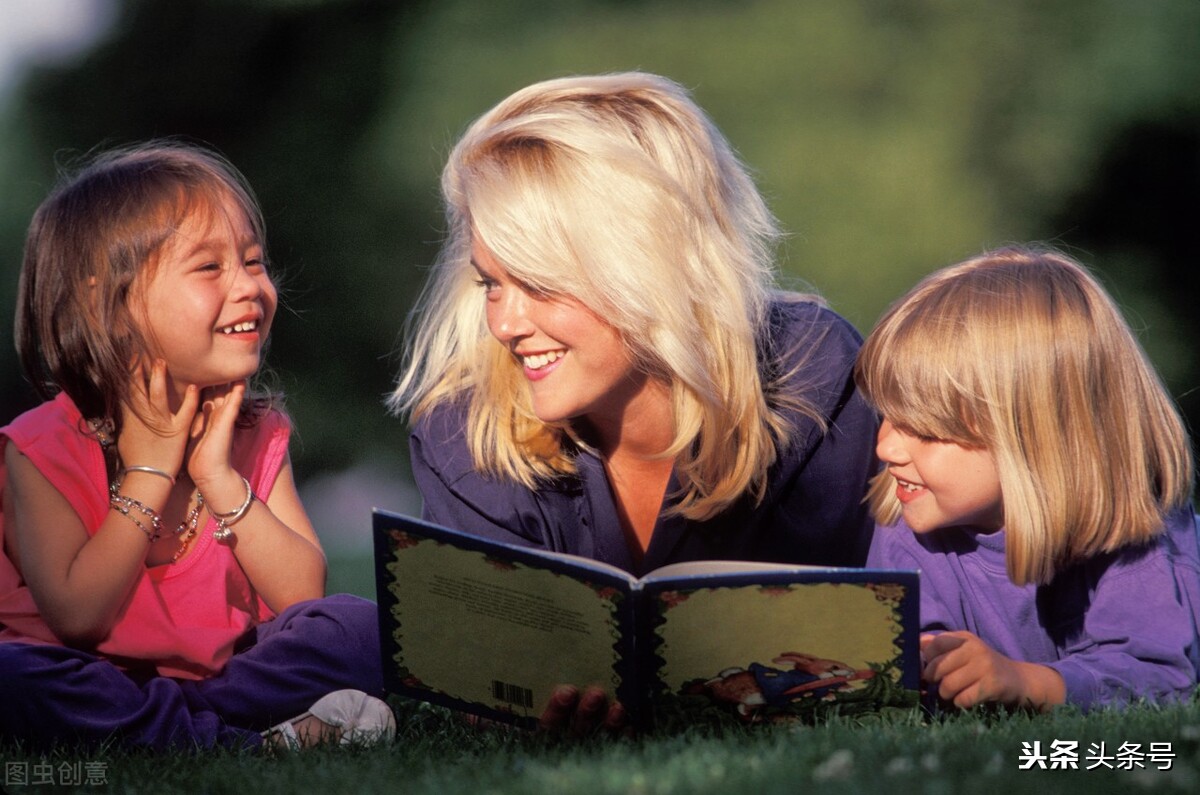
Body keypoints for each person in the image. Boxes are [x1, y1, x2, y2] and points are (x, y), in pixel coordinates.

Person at [389, 72, 879, 730]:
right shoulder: (464, 433)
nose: (504, 324)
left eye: (538, 283)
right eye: (491, 283)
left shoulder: (812, 374)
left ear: (644, 263)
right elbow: (479, 681)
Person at [0, 142, 391, 751]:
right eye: (210, 268)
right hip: (83, 673)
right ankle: (246, 743)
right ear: (110, 306)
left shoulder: (254, 433)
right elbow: (78, 618)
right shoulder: (41, 447)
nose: (249, 287)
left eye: (254, 261)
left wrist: (219, 478)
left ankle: (184, 724)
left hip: (226, 675)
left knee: (357, 629)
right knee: (15, 678)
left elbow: (300, 595)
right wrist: (153, 465)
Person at [859, 245, 1200, 712]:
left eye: (924, 429)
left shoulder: (1139, 525)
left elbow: (1158, 677)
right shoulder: (911, 508)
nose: (886, 448)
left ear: (1032, 440)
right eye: (887, 415)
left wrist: (1024, 683)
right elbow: (906, 661)